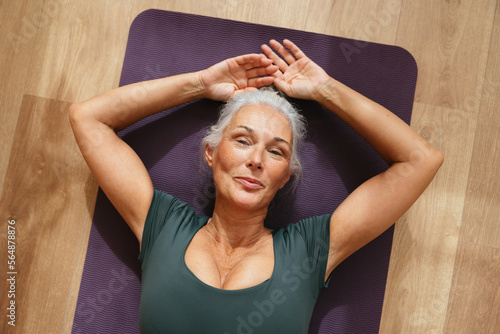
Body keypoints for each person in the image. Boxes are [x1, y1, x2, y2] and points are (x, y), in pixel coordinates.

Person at [69, 39, 443, 333]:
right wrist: (199, 84)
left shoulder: (310, 252)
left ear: (285, 177)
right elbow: (88, 118)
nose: (257, 160)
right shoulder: (162, 224)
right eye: (243, 140)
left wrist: (326, 89)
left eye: (276, 151)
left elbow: (419, 160)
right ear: (211, 154)